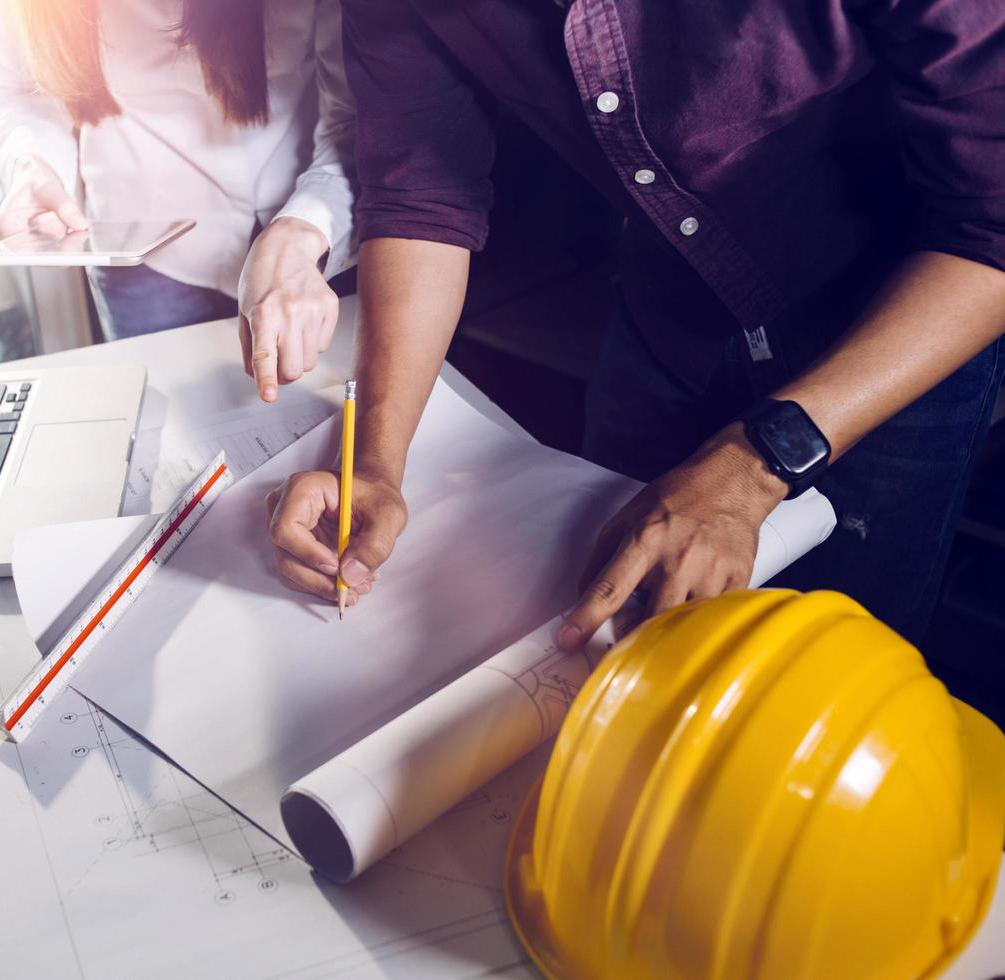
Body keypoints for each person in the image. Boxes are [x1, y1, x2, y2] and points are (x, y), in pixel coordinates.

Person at [265, 0, 1005, 648]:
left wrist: (756, 462)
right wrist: (377, 464)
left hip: (897, 327)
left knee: (839, 666)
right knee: (592, 634)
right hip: (665, 313)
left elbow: (993, 228)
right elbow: (421, 198)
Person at [0, 0, 357, 401]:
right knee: (164, 434)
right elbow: (20, 91)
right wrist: (33, 163)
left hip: (312, 232)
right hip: (144, 256)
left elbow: (357, 117)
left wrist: (306, 226)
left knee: (323, 418)